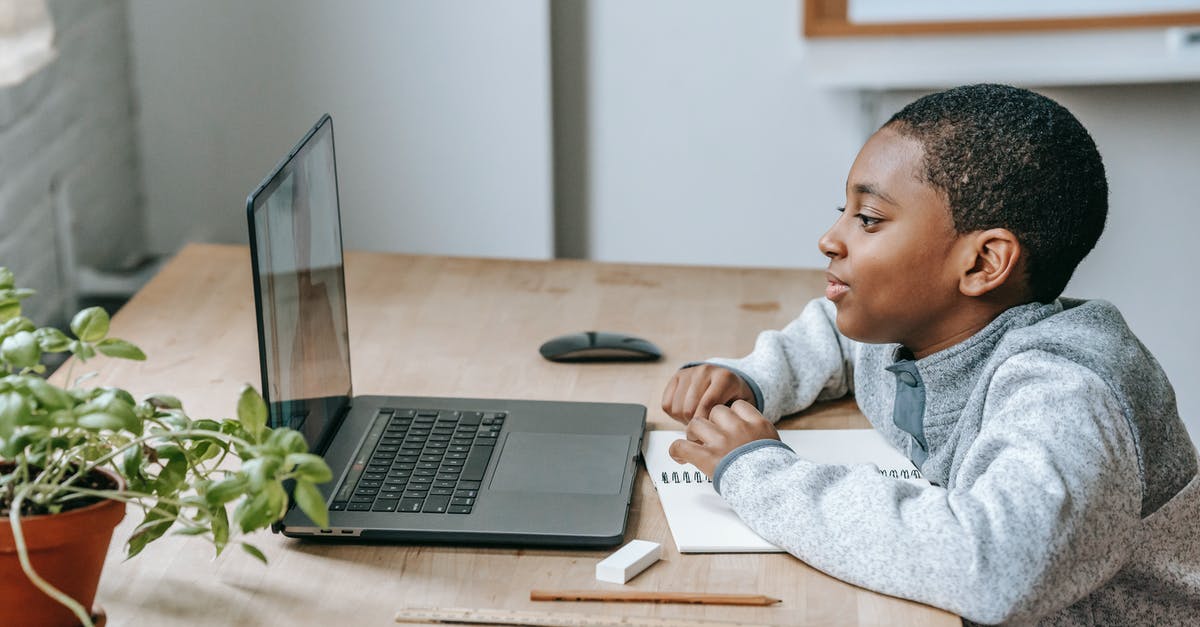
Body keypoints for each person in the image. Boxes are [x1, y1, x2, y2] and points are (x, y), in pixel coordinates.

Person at [662, 84, 1199, 625]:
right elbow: (838, 333)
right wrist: (755, 379)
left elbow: (996, 568)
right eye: (841, 212)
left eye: (868, 219)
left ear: (983, 264)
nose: (829, 238)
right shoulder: (917, 328)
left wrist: (760, 473)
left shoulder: (1067, 392)